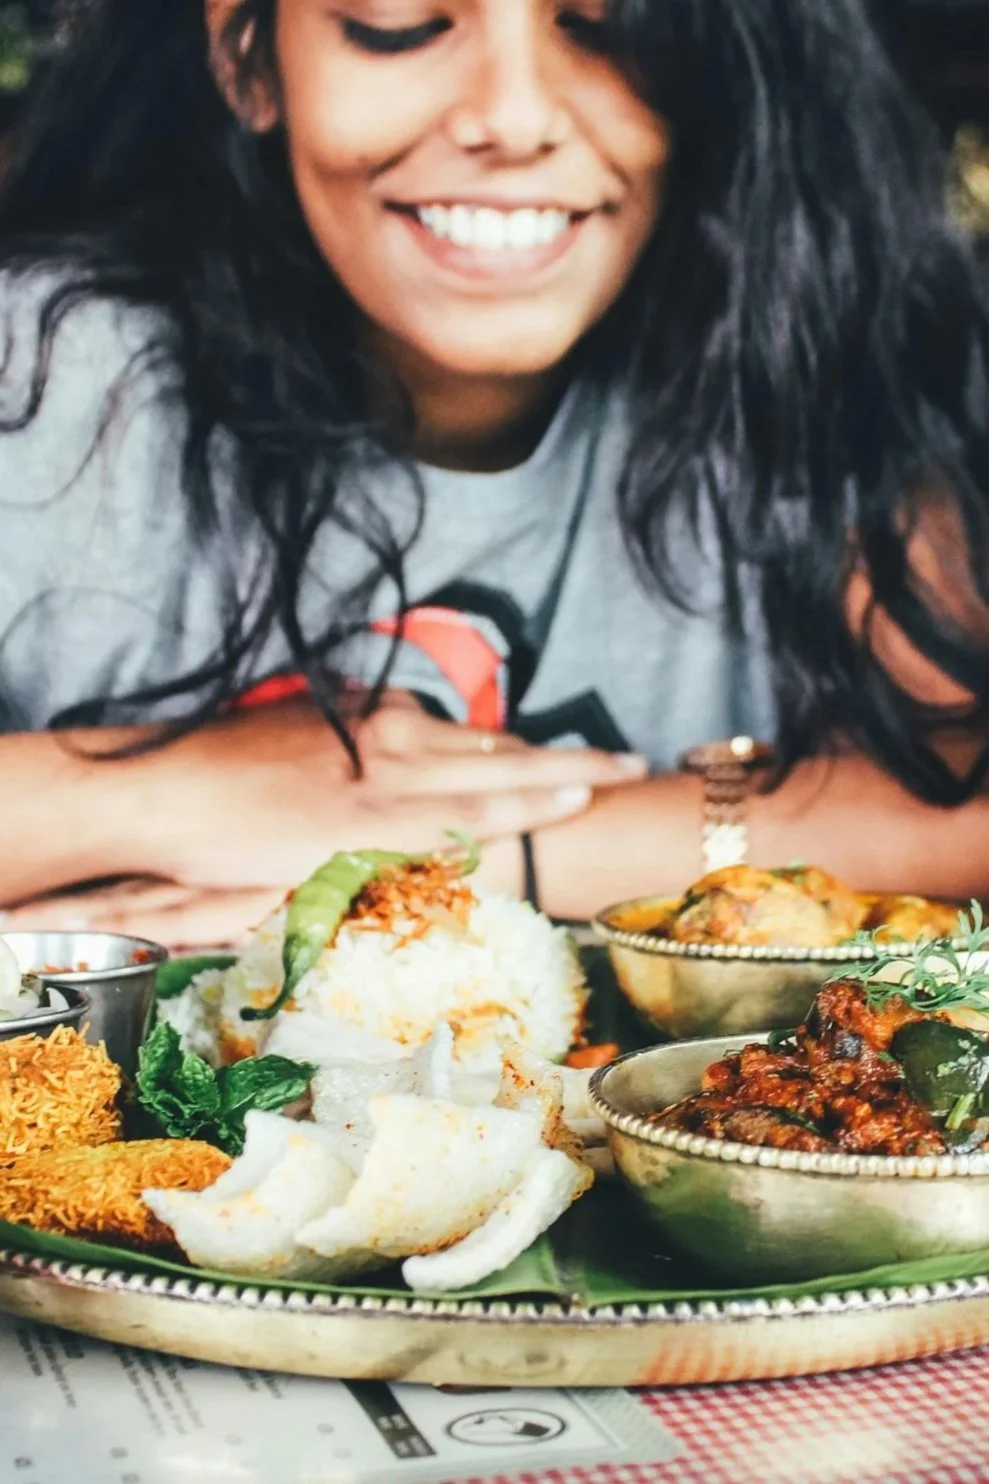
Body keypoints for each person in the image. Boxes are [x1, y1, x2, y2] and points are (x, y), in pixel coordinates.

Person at [0, 0, 987, 948]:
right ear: (249, 57)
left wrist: (460, 853)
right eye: (400, 25)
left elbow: (956, 803)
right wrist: (166, 789)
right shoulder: (46, 374)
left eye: (609, 26)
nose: (511, 118)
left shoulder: (821, 353)